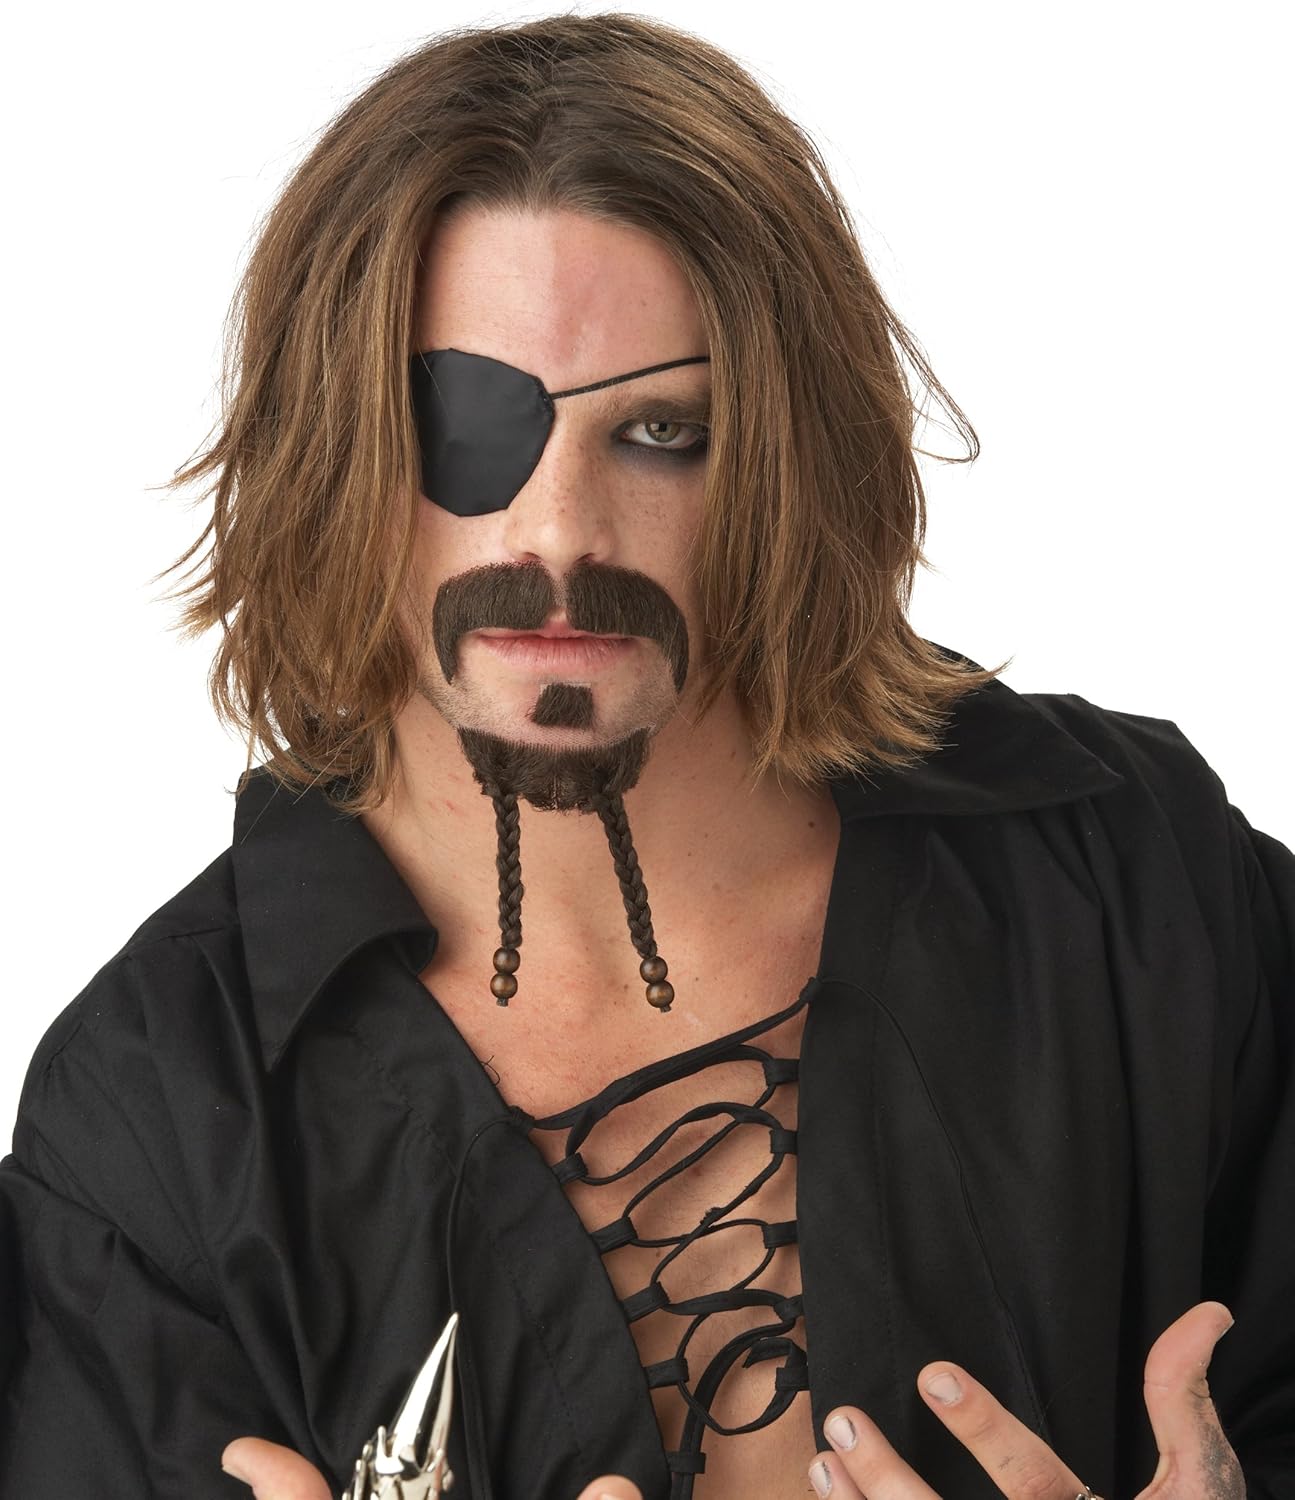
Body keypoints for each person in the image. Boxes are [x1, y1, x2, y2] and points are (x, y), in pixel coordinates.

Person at [1, 12, 1290, 1500]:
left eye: (664, 431)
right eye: (461, 426)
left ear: (789, 463)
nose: (560, 531)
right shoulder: (158, 1115)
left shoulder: (1134, 883)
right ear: (332, 452)